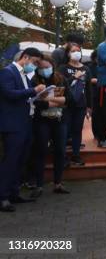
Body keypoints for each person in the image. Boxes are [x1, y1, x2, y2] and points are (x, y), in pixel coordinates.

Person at [0, 48, 45, 212]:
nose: (34, 66)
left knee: (20, 160)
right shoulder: (8, 72)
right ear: (25, 57)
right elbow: (9, 93)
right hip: (12, 125)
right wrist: (34, 91)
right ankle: (3, 197)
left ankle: (14, 193)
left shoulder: (24, 75)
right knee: (10, 161)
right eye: (33, 62)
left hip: (25, 123)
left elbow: (24, 96)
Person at [30, 56, 70, 198]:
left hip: (60, 120)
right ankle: (39, 185)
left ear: (52, 66)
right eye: (41, 68)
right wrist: (54, 102)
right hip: (41, 120)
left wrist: (47, 99)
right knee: (41, 150)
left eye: (47, 67)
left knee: (60, 150)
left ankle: (58, 183)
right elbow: (34, 102)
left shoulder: (61, 79)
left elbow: (68, 99)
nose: (44, 70)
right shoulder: (34, 81)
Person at [59, 42, 92, 166]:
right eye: (73, 51)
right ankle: (62, 157)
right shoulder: (63, 68)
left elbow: (88, 88)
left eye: (78, 50)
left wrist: (89, 106)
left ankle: (76, 155)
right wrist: (74, 77)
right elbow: (60, 85)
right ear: (68, 53)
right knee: (65, 131)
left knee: (77, 130)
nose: (76, 52)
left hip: (80, 105)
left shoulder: (86, 69)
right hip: (66, 105)